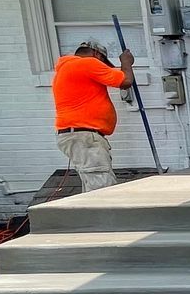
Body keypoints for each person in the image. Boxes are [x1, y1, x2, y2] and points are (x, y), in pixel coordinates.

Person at [52, 40, 135, 192]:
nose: (103, 67)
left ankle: (92, 214)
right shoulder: (87, 63)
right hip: (84, 135)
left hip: (77, 134)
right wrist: (126, 62)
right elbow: (125, 80)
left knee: (93, 186)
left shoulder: (67, 68)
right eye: (103, 62)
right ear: (97, 54)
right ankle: (107, 216)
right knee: (102, 187)